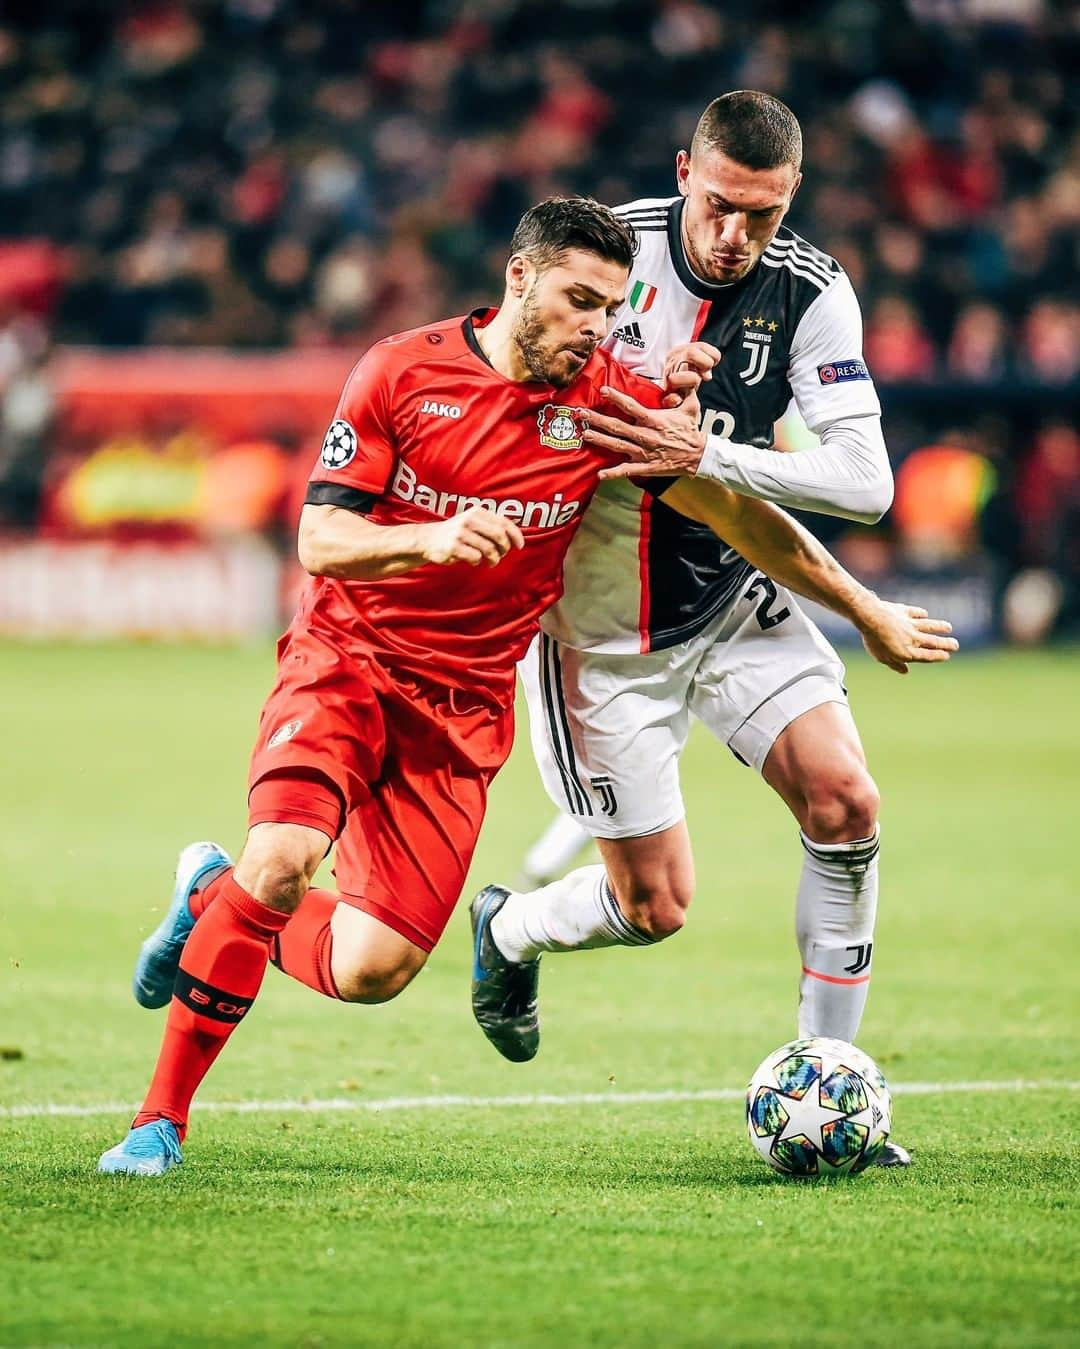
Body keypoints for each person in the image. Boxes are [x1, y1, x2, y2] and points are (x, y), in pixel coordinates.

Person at [98, 194, 950, 1177]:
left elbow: (738, 516)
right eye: (578, 300)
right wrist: (428, 535)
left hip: (461, 711)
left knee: (373, 969)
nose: (594, 325)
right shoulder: (400, 370)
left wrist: (865, 608)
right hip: (346, 663)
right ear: (519, 278)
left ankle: (210, 891)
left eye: (610, 306)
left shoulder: (600, 399)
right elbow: (320, 537)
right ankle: (158, 1121)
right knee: (285, 858)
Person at [471, 94, 955, 1166]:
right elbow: (507, 380)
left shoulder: (811, 291)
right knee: (655, 906)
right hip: (600, 635)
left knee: (846, 798)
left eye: (766, 215)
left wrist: (710, 456)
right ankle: (508, 928)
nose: (739, 235)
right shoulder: (604, 255)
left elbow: (865, 483)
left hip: (733, 593)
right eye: (724, 205)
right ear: (684, 170)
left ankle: (830, 1077)